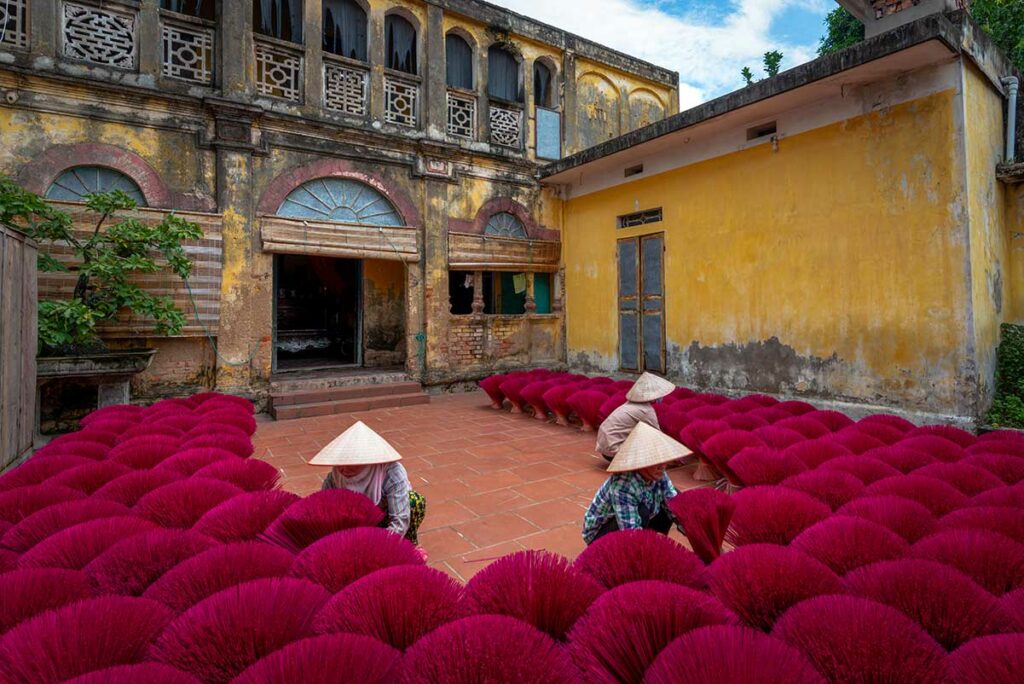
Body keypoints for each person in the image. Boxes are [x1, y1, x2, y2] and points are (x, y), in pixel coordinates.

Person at [308, 420, 427, 546]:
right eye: (340, 464)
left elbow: (400, 519)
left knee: (414, 501)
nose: (344, 469)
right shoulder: (335, 477)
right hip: (357, 522)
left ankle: (407, 544)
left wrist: (377, 547)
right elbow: (322, 507)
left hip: (385, 519)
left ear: (368, 460)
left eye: (351, 463)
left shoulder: (391, 472)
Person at [582, 421, 692, 545]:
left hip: (632, 519)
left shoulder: (659, 474)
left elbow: (673, 501)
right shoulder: (623, 486)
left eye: (663, 459)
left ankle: (655, 540)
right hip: (600, 536)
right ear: (642, 463)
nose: (662, 466)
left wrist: (694, 532)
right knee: (642, 511)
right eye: (656, 461)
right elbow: (630, 530)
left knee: (672, 503)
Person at [596, 372, 675, 462]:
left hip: (605, 448)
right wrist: (674, 454)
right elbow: (658, 436)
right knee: (651, 443)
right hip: (614, 452)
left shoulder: (629, 404)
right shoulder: (646, 411)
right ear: (653, 396)